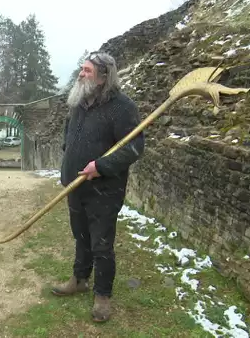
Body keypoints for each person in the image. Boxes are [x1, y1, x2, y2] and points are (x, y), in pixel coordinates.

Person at [53, 51, 145, 323]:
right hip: (75, 186)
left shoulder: (122, 107)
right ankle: (80, 279)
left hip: (104, 190)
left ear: (104, 76)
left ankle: (102, 295)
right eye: (82, 69)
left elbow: (134, 147)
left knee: (101, 245)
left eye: (88, 70)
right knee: (80, 237)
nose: (81, 74)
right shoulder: (78, 102)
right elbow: (68, 135)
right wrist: (68, 160)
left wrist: (101, 167)